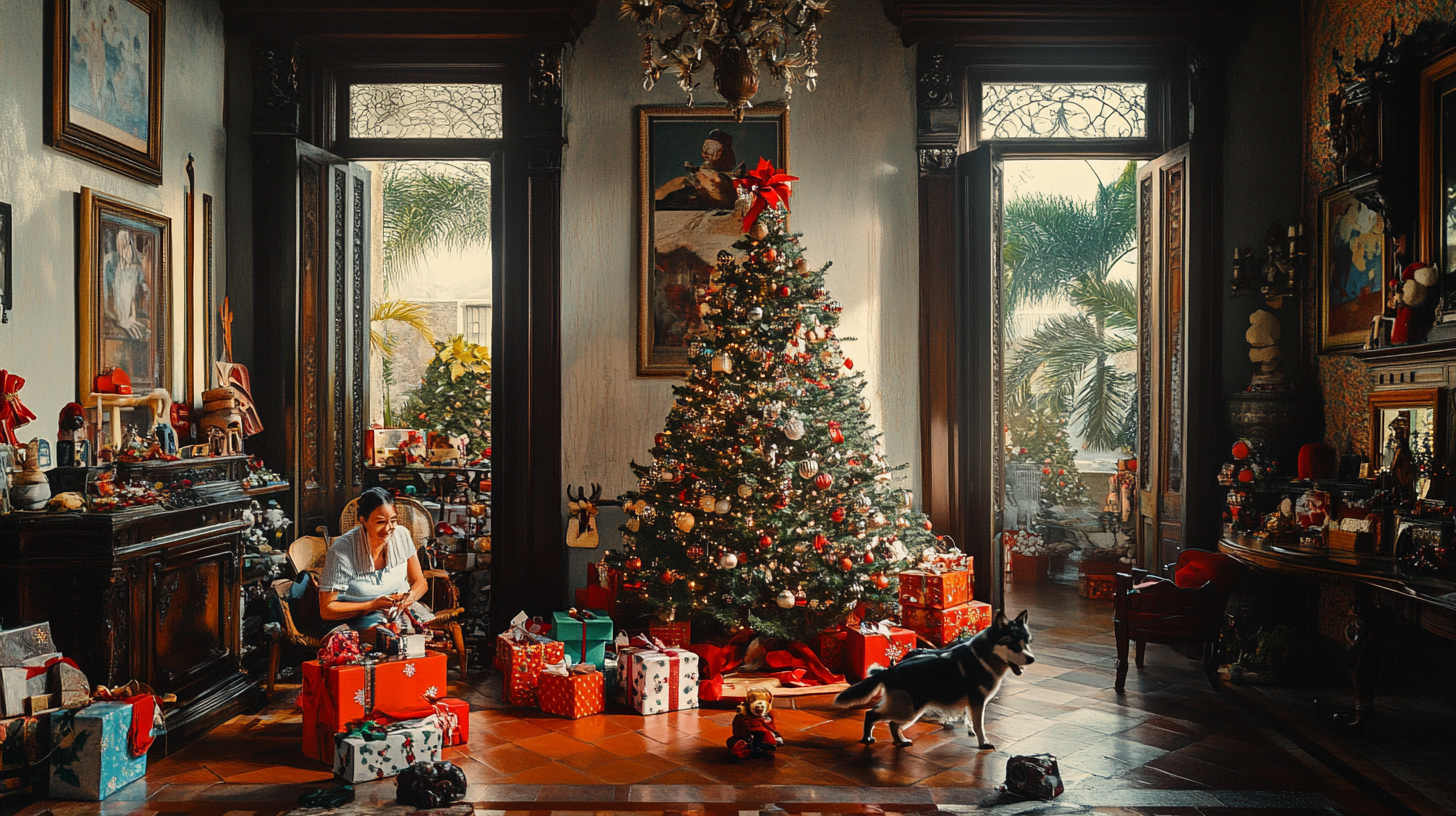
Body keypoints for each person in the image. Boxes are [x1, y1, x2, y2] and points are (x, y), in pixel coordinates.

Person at [319, 488, 431, 638]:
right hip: (358, 618)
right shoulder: (342, 549)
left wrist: (408, 598)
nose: (389, 528)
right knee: (386, 639)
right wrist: (373, 604)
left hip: (400, 611)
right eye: (380, 522)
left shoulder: (402, 534)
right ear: (363, 520)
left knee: (430, 634)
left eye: (393, 520)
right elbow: (327, 610)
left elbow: (420, 582)